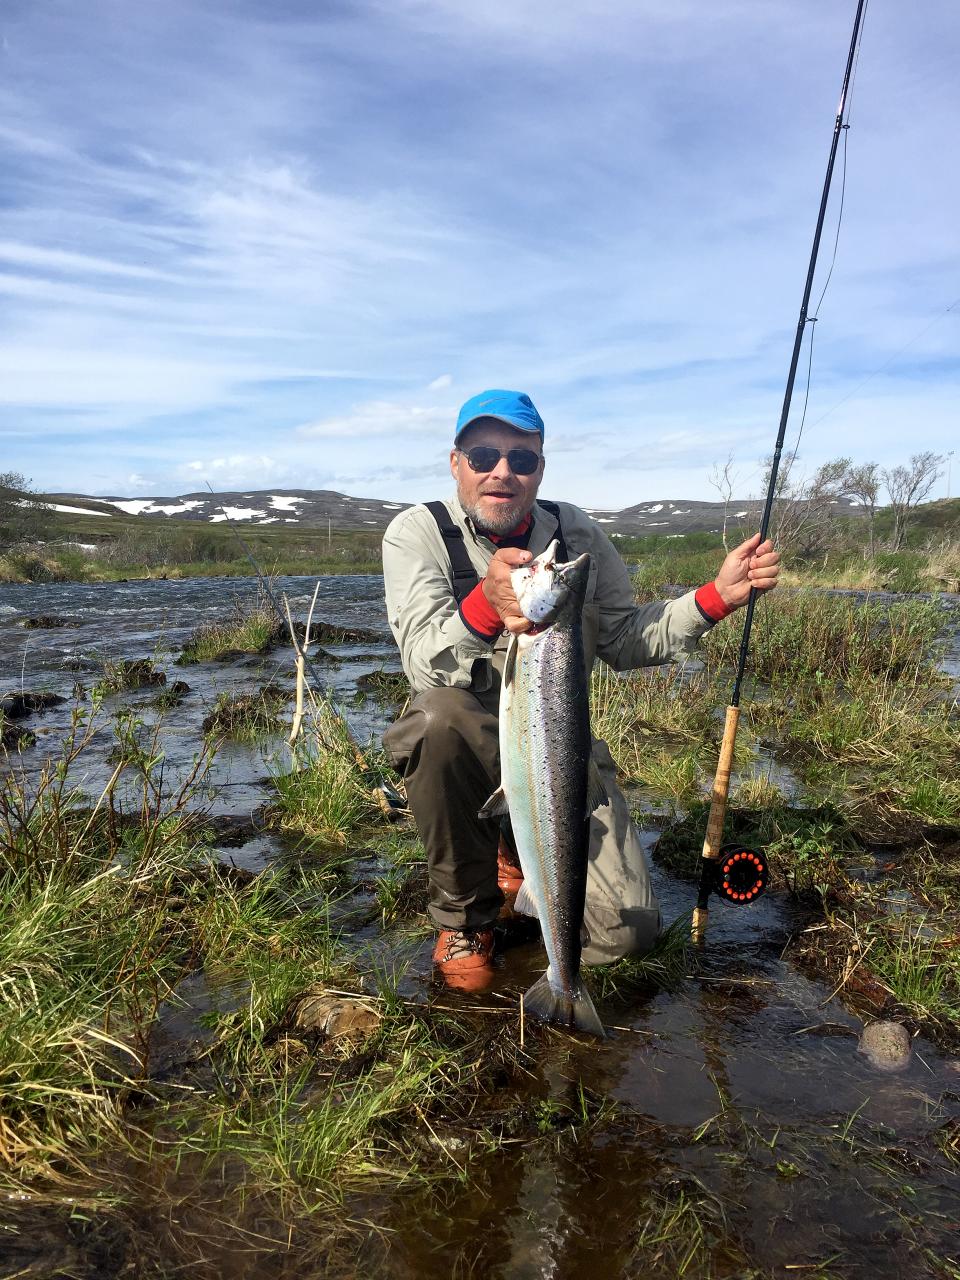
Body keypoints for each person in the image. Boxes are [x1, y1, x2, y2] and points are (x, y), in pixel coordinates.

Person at [382, 390, 780, 990]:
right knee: (437, 720)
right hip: (465, 741)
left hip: (561, 751)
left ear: (540, 469)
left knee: (625, 935)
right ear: (457, 463)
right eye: (485, 455)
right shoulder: (417, 533)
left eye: (522, 459)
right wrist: (485, 605)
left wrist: (714, 598)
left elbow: (624, 637)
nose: (502, 472)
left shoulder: (576, 531)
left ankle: (518, 853)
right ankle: (466, 917)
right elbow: (423, 665)